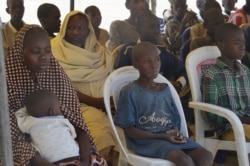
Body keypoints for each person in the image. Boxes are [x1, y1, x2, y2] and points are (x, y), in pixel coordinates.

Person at [5, 24, 106, 165]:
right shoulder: (7, 83)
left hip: (71, 151)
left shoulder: (57, 77)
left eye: (47, 51)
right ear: (20, 52)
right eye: (35, 51)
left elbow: (78, 124)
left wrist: (84, 159)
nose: (44, 57)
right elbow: (13, 138)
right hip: (33, 157)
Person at [114, 41, 213, 166]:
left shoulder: (165, 89)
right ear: (136, 64)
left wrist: (175, 131)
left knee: (206, 156)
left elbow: (174, 119)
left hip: (169, 138)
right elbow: (129, 130)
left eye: (157, 59)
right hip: (146, 142)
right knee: (184, 160)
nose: (154, 65)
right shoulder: (130, 92)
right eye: (147, 61)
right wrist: (163, 137)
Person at [51, 10, 118, 165]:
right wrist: (98, 103)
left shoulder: (100, 51)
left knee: (127, 131)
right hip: (75, 107)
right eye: (71, 28)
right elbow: (61, 89)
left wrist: (112, 101)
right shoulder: (54, 51)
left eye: (80, 28)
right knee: (101, 134)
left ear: (88, 30)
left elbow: (112, 78)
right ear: (64, 29)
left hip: (107, 106)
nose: (75, 32)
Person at [115, 10, 194, 124]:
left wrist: (178, 84)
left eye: (158, 26)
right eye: (151, 27)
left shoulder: (163, 52)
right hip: (135, 105)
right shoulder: (129, 51)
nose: (156, 31)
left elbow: (184, 71)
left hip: (162, 103)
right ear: (138, 29)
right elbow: (118, 81)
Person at [201, 23, 250, 163]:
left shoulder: (245, 71)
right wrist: (241, 119)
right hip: (230, 128)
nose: (242, 46)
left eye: (244, 43)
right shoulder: (212, 75)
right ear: (222, 46)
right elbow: (210, 113)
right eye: (237, 43)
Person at [15, 90, 106, 165]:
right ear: (52, 111)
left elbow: (18, 114)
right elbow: (73, 134)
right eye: (59, 107)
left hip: (53, 162)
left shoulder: (29, 123)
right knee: (97, 160)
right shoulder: (62, 121)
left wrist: (30, 111)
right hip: (75, 157)